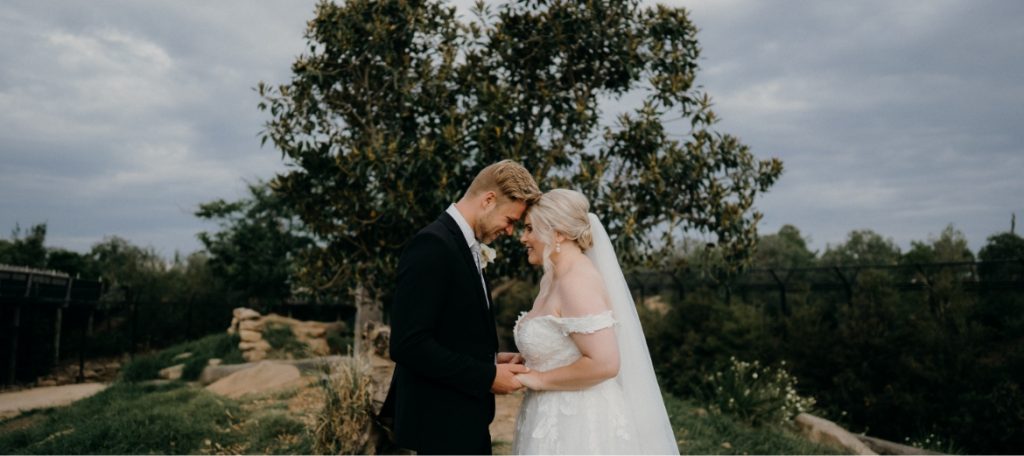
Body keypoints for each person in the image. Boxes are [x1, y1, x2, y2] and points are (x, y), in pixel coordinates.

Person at [382, 160, 542, 455]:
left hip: (463, 421)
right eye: (509, 220)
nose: (509, 232)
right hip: (439, 424)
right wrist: (487, 376)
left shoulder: (464, 245)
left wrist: (491, 359)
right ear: (489, 200)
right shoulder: (432, 245)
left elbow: (449, 329)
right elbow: (408, 344)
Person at [511, 188, 679, 455]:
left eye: (530, 229)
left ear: (558, 233)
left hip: (579, 422)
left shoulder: (576, 281)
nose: (523, 238)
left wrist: (539, 379)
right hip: (548, 415)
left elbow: (605, 363)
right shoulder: (555, 278)